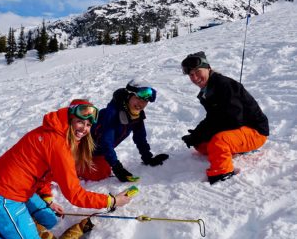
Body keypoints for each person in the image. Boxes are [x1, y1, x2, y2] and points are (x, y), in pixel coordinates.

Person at [0, 99, 131, 239]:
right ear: (70, 117)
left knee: (50, 220)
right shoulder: (58, 144)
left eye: (88, 124)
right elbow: (74, 194)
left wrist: (48, 198)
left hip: (17, 189)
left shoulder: (56, 132)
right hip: (2, 196)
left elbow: (41, 171)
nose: (84, 129)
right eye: (80, 121)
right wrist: (111, 201)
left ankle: (15, 226)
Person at [181, 51, 269, 184]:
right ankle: (236, 149)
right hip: (237, 128)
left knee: (219, 142)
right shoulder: (207, 90)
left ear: (208, 68)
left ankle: (222, 172)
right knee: (200, 145)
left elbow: (234, 120)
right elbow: (212, 117)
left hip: (254, 131)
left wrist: (207, 132)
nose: (194, 77)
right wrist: (197, 134)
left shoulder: (224, 85)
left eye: (197, 72)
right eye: (191, 75)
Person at [79, 79, 169, 182]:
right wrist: (117, 166)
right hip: (79, 148)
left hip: (97, 152)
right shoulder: (112, 113)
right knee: (100, 172)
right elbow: (106, 141)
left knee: (103, 170)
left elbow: (140, 137)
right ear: (128, 96)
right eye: (137, 98)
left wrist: (147, 157)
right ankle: (68, 165)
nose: (141, 103)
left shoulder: (135, 113)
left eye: (145, 101)